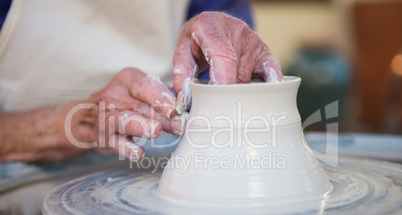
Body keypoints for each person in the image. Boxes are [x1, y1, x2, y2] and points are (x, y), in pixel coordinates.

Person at [0, 0, 283, 163]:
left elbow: (224, 80)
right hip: (26, 162)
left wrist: (218, 38)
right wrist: (82, 123)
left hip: (161, 149)